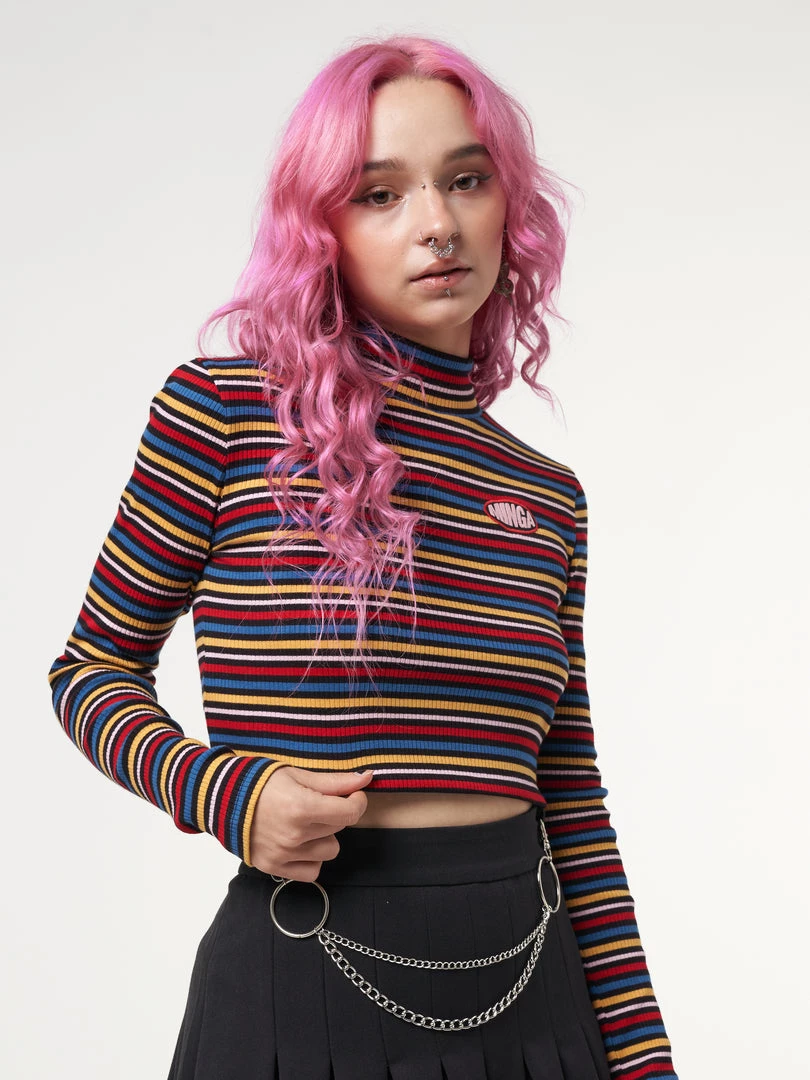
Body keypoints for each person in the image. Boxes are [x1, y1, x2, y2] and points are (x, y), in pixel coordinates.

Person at [48, 35, 678, 1080]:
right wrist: (225, 795)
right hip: (305, 993)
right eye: (380, 195)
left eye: (466, 180)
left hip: (541, 999)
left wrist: (645, 1060)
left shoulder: (546, 496)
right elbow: (88, 674)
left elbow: (571, 797)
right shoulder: (224, 416)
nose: (437, 224)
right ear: (322, 231)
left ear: (509, 206)